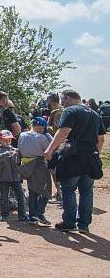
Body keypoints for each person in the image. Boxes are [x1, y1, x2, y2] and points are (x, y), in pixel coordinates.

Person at [44, 90, 106, 233]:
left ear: (68, 98)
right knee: (86, 191)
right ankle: (84, 224)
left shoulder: (70, 111)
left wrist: (50, 150)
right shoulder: (95, 114)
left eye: (64, 101)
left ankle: (69, 222)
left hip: (72, 155)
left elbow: (64, 132)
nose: (63, 104)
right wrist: (95, 153)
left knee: (68, 189)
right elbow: (101, 139)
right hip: (91, 155)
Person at [18, 117, 53, 226]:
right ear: (40, 126)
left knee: (32, 190)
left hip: (26, 164)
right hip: (39, 164)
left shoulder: (22, 135)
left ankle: (32, 216)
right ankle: (39, 213)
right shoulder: (41, 137)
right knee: (47, 190)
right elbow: (48, 152)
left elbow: (19, 149)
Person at [0, 130, 29, 222]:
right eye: (5, 140)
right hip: (4, 178)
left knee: (20, 196)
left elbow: (18, 162)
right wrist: (7, 154)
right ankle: (4, 215)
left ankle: (22, 214)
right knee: (4, 197)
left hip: (16, 178)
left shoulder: (14, 149)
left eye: (10, 140)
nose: (8, 142)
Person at [45, 93, 63, 201]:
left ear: (50, 100)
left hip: (56, 144)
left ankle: (60, 193)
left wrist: (45, 127)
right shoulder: (63, 110)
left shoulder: (57, 112)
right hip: (62, 143)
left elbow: (57, 129)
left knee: (54, 169)